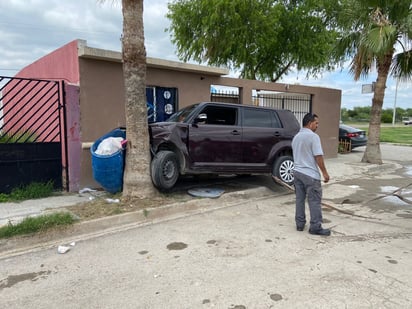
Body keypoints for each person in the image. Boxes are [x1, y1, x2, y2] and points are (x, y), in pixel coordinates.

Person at [292, 113, 331, 236]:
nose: (317, 125)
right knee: (314, 201)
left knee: (300, 199)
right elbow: (318, 156)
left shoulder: (296, 137)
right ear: (310, 123)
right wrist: (325, 173)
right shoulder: (313, 137)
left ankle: (299, 224)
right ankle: (315, 227)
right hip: (310, 175)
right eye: (316, 123)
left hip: (297, 172)